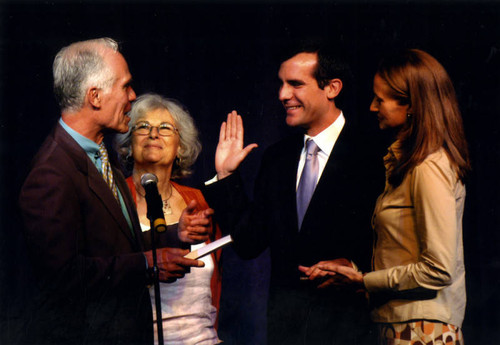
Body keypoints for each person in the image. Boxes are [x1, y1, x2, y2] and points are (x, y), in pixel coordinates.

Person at [18, 38, 209, 345]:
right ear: (95, 96)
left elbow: (114, 247)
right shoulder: (51, 172)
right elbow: (62, 277)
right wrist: (147, 262)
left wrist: (176, 236)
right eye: (125, 87)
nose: (133, 96)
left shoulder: (102, 159)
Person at [202, 43, 382, 344]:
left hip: (351, 328)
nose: (283, 95)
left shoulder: (373, 153)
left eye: (295, 84)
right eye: (281, 84)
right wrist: (226, 175)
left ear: (332, 88)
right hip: (287, 331)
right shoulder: (277, 158)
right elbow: (248, 243)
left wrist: (357, 269)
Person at [300, 49, 470, 344]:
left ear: (411, 105)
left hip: (422, 331)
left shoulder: (429, 166)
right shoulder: (407, 164)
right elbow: (407, 254)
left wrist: (364, 280)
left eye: (381, 99)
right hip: (401, 326)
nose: (371, 107)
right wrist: (352, 271)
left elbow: (438, 269)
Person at [115, 93, 222, 344]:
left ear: (180, 147)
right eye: (143, 126)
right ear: (129, 144)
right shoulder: (114, 200)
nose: (154, 134)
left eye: (165, 128)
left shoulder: (199, 201)